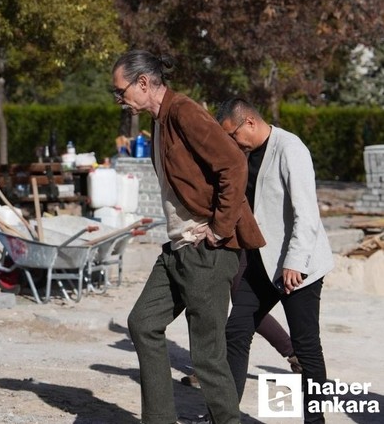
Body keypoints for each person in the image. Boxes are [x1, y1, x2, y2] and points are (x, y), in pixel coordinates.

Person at [114, 50, 265, 424]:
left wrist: (219, 228)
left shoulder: (183, 111)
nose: (119, 99)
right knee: (143, 323)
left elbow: (233, 163)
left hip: (206, 251)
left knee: (206, 356)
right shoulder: (161, 121)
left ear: (144, 83)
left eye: (120, 90)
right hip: (179, 248)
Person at [216, 98, 332, 423]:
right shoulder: (248, 153)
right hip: (263, 264)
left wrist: (295, 261)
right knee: (236, 330)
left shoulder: (289, 148)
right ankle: (225, 418)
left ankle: (315, 420)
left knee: (306, 346)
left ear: (249, 122)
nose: (232, 142)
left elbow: (306, 212)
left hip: (298, 266)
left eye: (233, 135)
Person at [181, 251, 302, 389]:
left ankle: (296, 356)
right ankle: (208, 369)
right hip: (207, 246)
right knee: (210, 305)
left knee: (245, 309)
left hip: (237, 242)